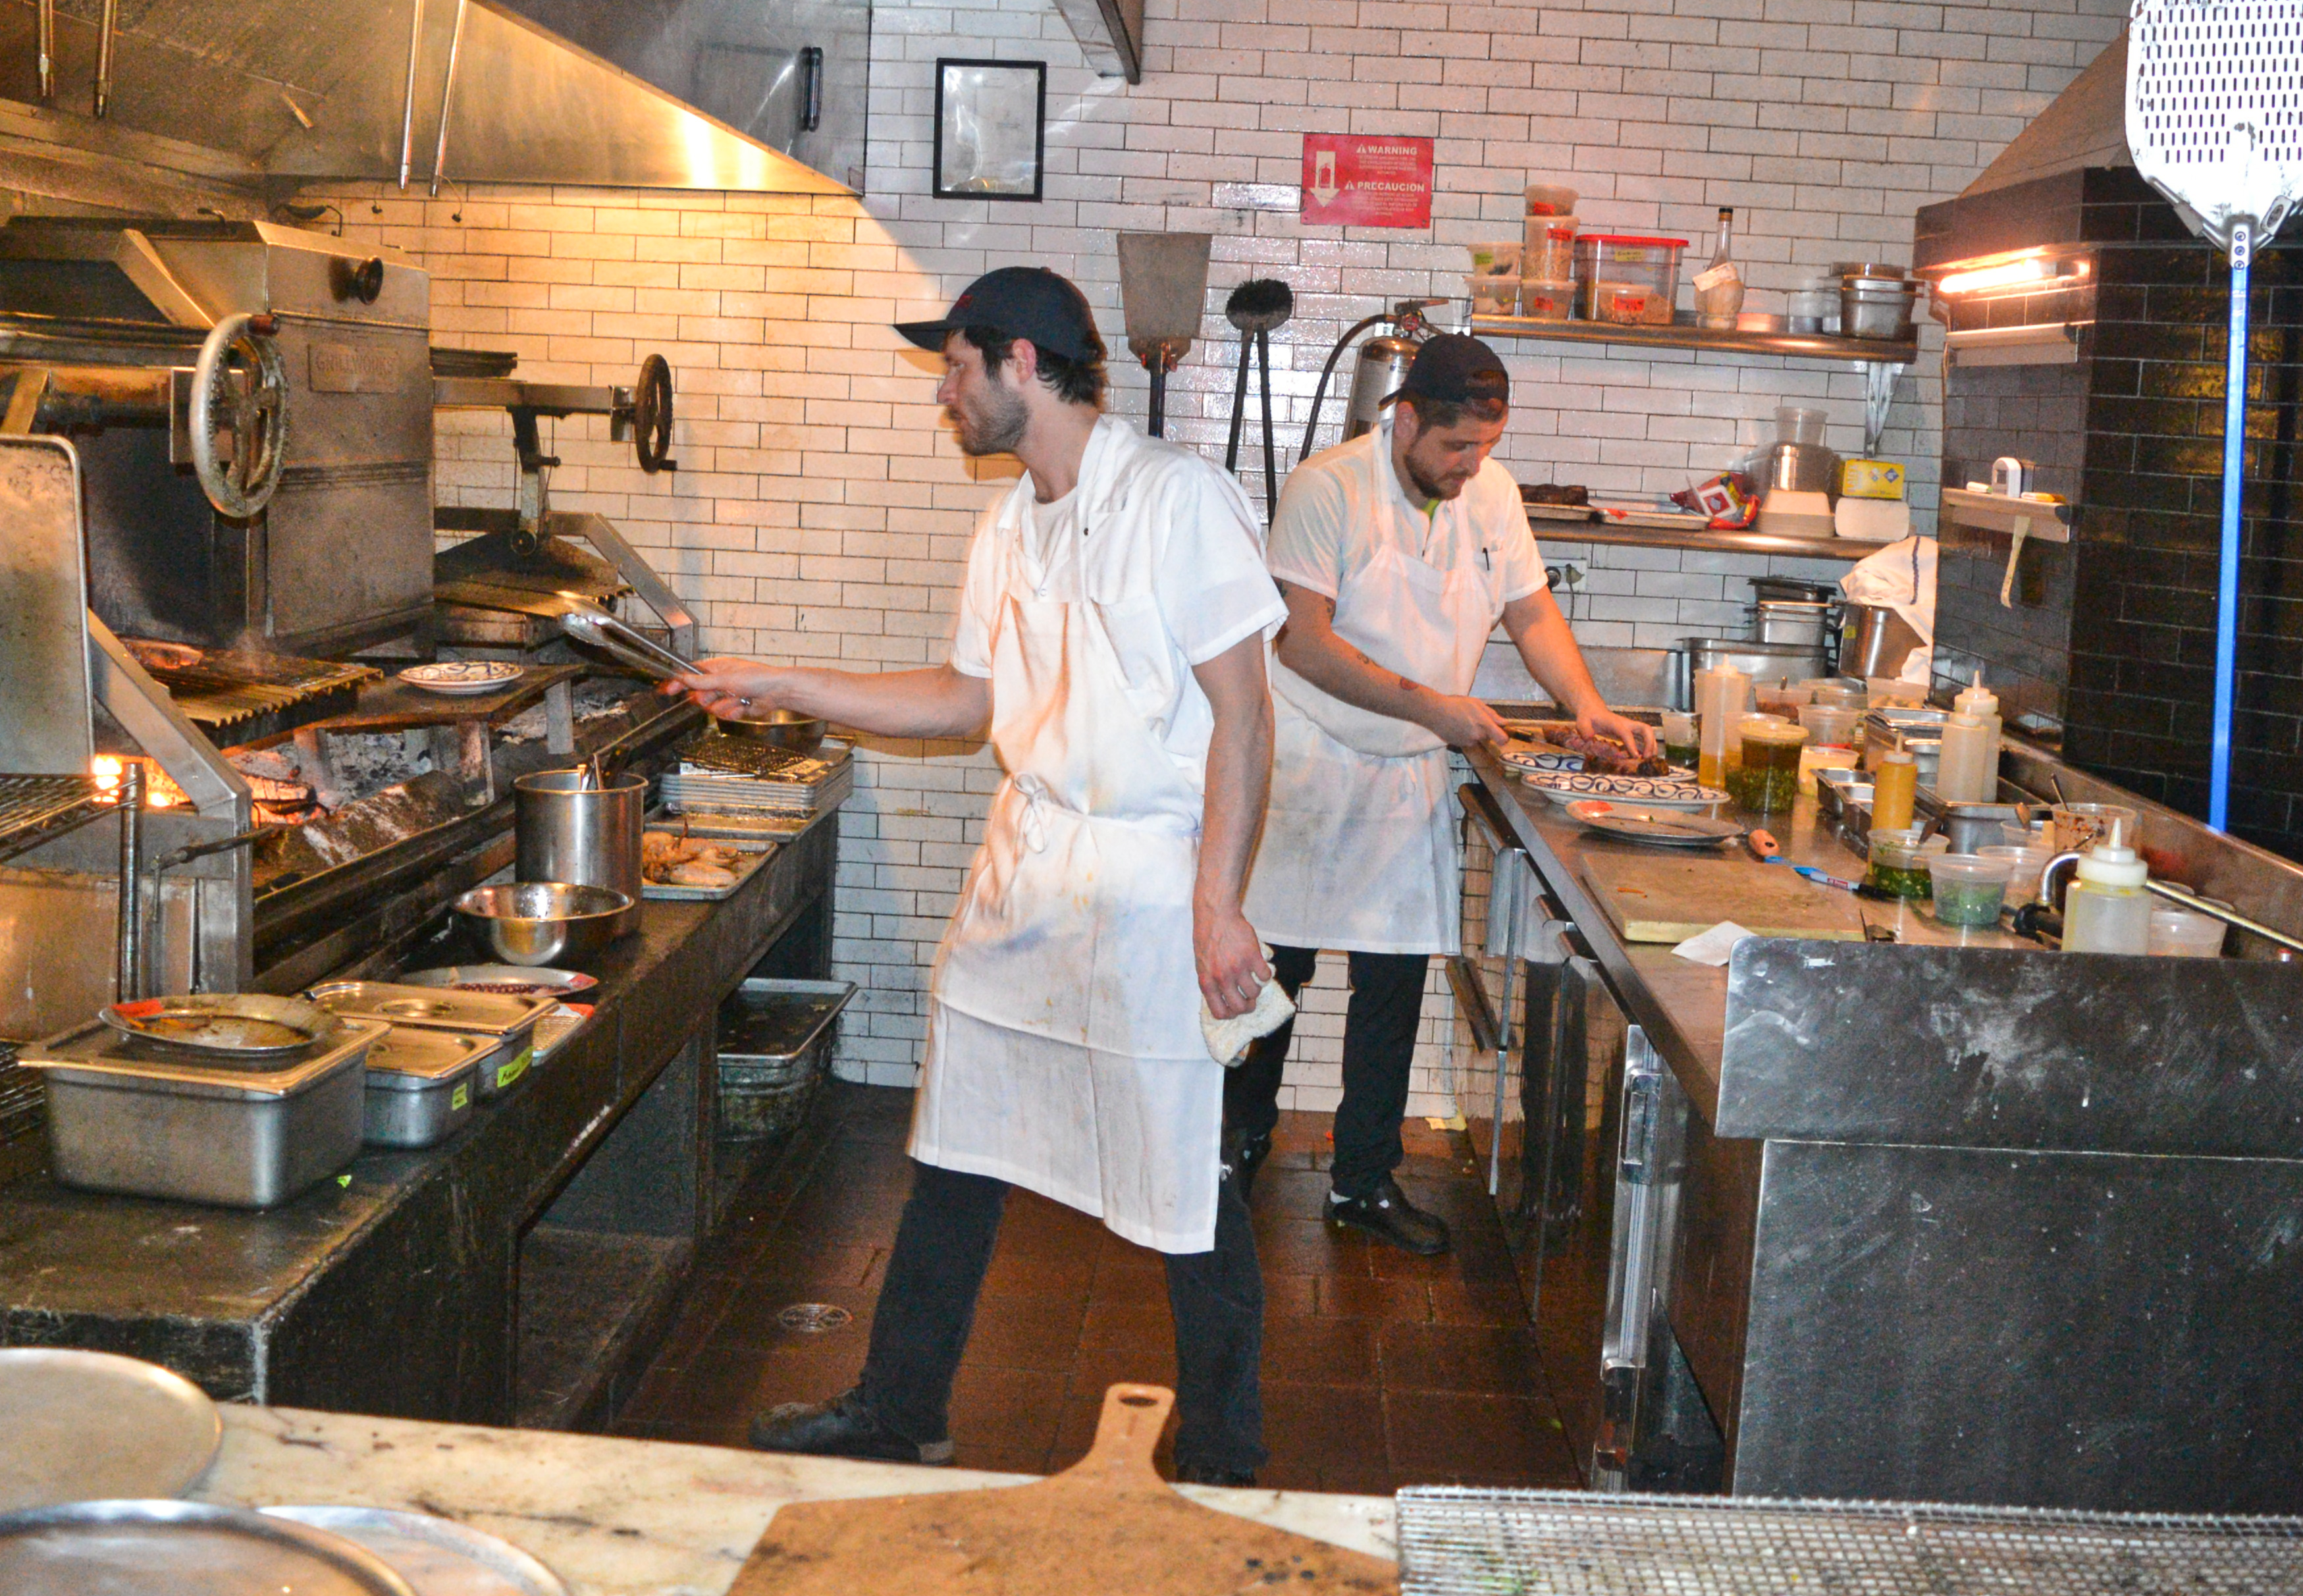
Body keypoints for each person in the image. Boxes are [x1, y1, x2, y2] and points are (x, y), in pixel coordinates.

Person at [668, 266, 1289, 1483]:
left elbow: (1247, 717)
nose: (943, 394)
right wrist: (783, 684)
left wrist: (1218, 906)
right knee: (956, 1148)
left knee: (1184, 1173)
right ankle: (900, 1410)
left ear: (1022, 363)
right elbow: (964, 700)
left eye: (956, 368)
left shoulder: (1177, 499)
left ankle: (1226, 1448)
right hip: (1028, 874)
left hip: (1149, 886)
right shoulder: (1008, 525)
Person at [1229, 334, 1654, 1252]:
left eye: (1486, 447)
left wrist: (1586, 705)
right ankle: (1234, 1150)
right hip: (1308, 761)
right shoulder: (1326, 488)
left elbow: (1530, 611)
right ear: (1406, 419)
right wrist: (1438, 708)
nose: (1471, 466)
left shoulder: (1491, 496)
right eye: (1457, 446)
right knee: (1270, 979)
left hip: (1407, 773)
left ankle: (1362, 1182)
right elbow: (1302, 644)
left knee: (1392, 988)